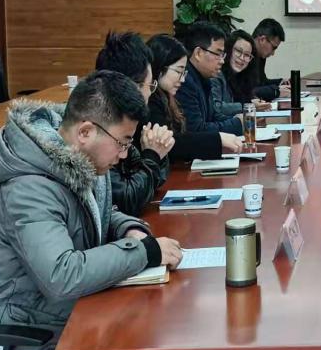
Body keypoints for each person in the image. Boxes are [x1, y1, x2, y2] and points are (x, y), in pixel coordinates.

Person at [0, 71, 184, 350]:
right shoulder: (29, 189)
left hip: (64, 322)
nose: (124, 154)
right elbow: (62, 275)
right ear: (86, 131)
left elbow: (100, 213)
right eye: (122, 142)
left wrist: (130, 229)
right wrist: (145, 252)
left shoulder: (78, 161)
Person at [94, 31, 175, 216]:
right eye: (150, 85)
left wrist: (157, 153)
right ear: (133, 86)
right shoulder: (102, 126)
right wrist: (153, 155)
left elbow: (154, 182)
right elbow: (127, 200)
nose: (151, 93)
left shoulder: (130, 119)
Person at [147, 33, 243, 161]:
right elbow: (173, 143)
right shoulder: (151, 100)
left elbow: (211, 116)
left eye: (183, 73)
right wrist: (219, 139)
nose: (182, 79)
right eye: (178, 71)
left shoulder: (168, 95)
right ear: (159, 68)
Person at [175, 22, 246, 134]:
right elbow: (197, 130)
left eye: (223, 55)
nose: (222, 61)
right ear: (198, 53)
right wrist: (237, 124)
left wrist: (238, 120)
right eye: (218, 54)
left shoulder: (204, 78)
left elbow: (213, 116)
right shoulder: (185, 81)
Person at [214, 29, 275, 115]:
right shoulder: (216, 74)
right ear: (229, 50)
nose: (242, 58)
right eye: (238, 51)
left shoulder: (243, 77)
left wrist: (254, 101)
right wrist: (247, 106)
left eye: (247, 55)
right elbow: (216, 108)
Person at [249, 18, 291, 102]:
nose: (273, 53)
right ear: (262, 40)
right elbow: (250, 92)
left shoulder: (260, 56)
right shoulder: (246, 56)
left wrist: (280, 82)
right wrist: (276, 91)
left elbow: (262, 83)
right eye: (273, 48)